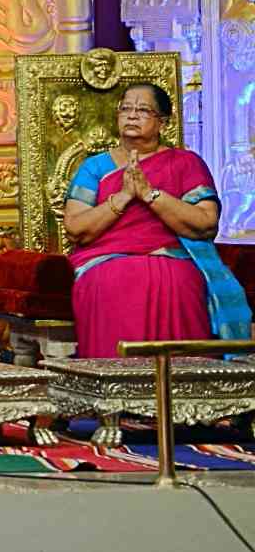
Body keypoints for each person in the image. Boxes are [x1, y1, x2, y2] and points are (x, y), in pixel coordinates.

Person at [64, 82, 247, 355]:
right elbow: (76, 228)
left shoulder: (185, 163)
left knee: (181, 282)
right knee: (110, 281)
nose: (132, 115)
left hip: (174, 260)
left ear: (163, 122)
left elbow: (206, 223)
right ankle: (113, 376)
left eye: (142, 110)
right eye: (125, 108)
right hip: (105, 263)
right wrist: (124, 196)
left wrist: (150, 194)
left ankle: (183, 379)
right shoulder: (94, 167)